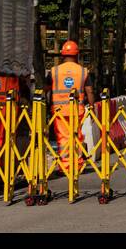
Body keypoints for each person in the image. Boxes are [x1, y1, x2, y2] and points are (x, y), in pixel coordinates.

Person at [48, 40, 95, 172]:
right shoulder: (83, 71)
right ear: (77, 54)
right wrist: (92, 109)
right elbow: (89, 91)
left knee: (63, 138)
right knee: (76, 136)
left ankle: (66, 166)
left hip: (59, 112)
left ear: (63, 54)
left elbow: (45, 90)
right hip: (76, 110)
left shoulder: (54, 71)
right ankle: (77, 163)